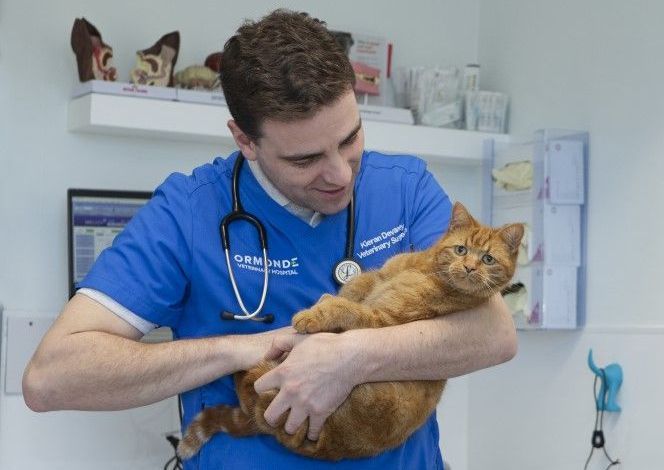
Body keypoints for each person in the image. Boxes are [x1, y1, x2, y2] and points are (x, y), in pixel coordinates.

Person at [23, 9, 516, 470]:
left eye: (350, 139)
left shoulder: (405, 189)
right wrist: (247, 348)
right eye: (305, 160)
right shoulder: (188, 212)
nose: (341, 174)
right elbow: (52, 377)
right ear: (245, 140)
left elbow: (494, 334)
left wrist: (348, 357)